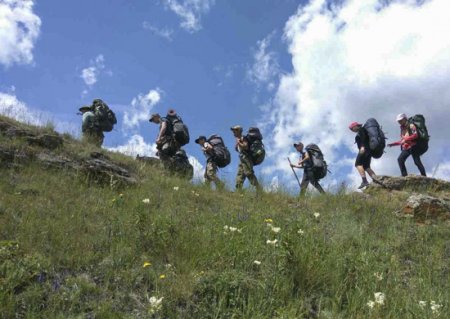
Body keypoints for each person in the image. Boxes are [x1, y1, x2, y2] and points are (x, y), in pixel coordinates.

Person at [349, 122, 379, 189]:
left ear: (355, 126)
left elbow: (363, 138)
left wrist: (362, 146)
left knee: (358, 164)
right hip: (369, 151)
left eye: (352, 128)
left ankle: (364, 181)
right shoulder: (364, 130)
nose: (352, 130)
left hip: (364, 149)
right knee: (366, 167)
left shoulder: (361, 130)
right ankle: (377, 180)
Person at [231, 125, 261, 191]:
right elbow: (239, 149)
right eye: (233, 131)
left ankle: (259, 189)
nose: (233, 132)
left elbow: (245, 146)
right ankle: (238, 191)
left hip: (246, 157)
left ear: (239, 131)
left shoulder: (243, 138)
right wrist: (237, 145)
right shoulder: (240, 138)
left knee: (248, 173)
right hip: (242, 158)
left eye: (235, 131)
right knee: (240, 174)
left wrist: (239, 142)